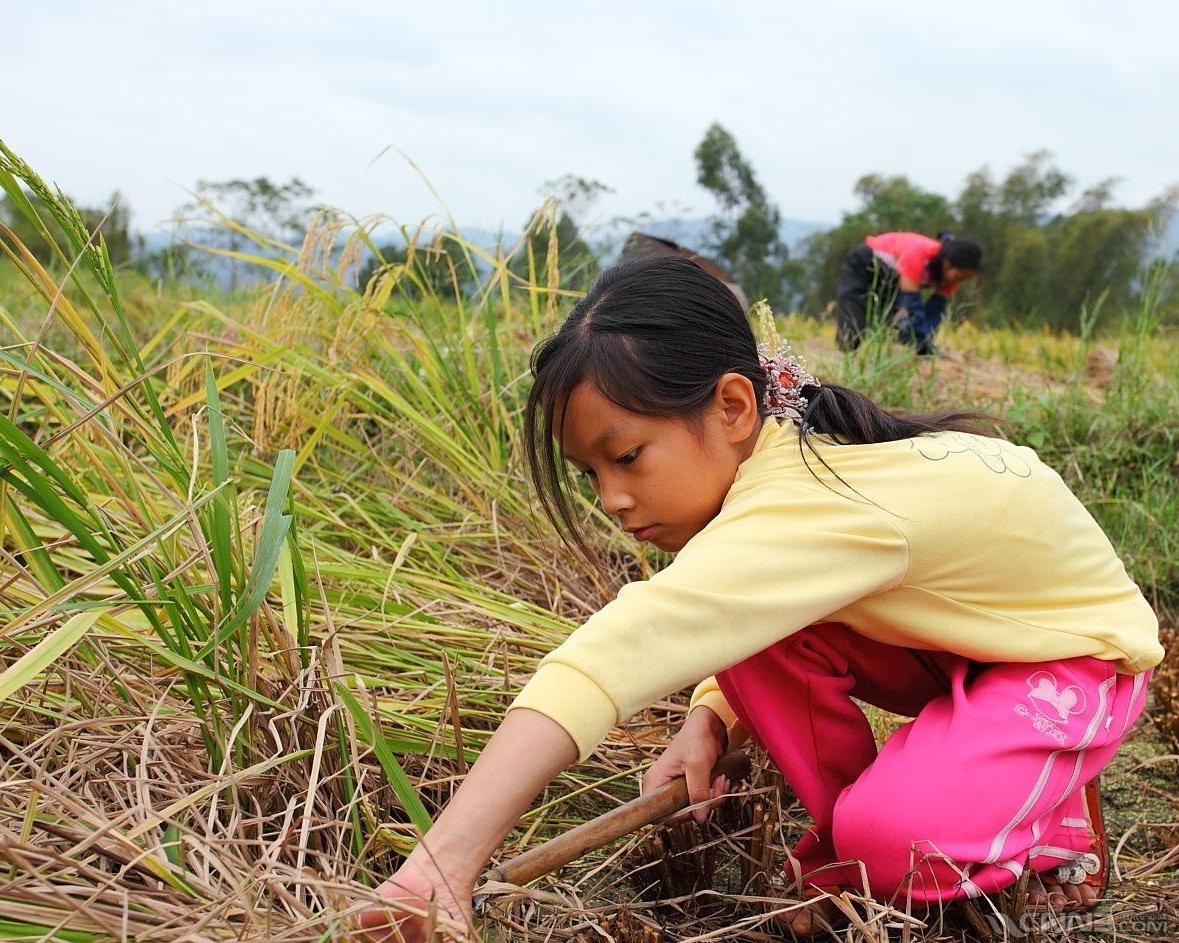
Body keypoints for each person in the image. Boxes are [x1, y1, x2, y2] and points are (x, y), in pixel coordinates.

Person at [362, 256, 1159, 940]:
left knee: (903, 844)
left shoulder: (811, 498)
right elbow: (735, 612)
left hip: (1070, 655)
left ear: (734, 406)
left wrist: (445, 860)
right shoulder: (776, 477)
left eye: (628, 457)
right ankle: (855, 851)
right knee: (751, 645)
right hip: (960, 641)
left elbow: (617, 649)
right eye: (591, 475)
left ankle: (1044, 827)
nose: (612, 498)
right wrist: (708, 714)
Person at [835, 231, 982, 355]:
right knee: (853, 320)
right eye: (959, 277)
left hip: (894, 277)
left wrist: (923, 342)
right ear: (947, 263)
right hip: (865, 263)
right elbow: (910, 305)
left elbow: (935, 312)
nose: (958, 282)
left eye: (965, 279)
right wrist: (916, 339)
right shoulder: (917, 254)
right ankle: (845, 355)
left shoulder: (950, 278)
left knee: (891, 326)